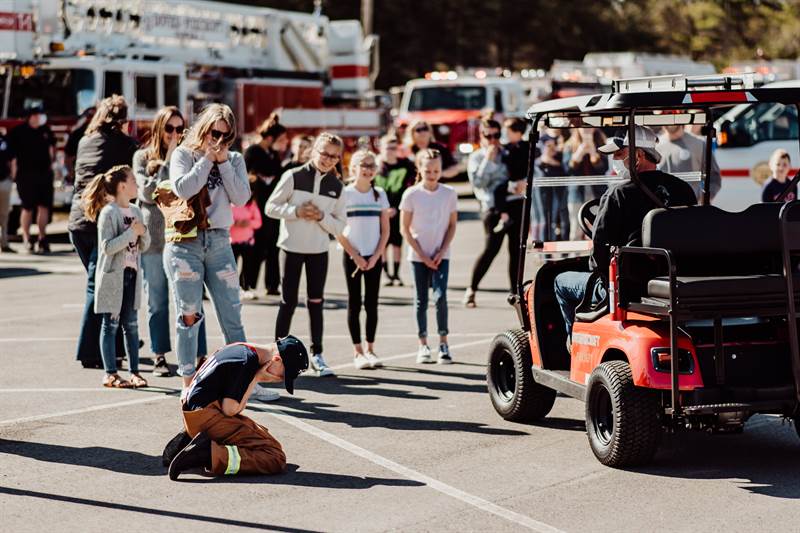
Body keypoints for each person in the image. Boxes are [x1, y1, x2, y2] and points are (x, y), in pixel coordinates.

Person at [554, 126, 697, 339]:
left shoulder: (618, 194)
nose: (616, 161)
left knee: (560, 281)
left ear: (638, 155)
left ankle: (571, 344)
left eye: (619, 154)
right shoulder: (682, 189)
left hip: (629, 286)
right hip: (675, 279)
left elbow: (598, 260)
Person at [164, 103, 251, 391]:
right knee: (189, 314)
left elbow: (241, 197)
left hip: (219, 240)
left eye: (226, 137)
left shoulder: (234, 159)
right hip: (186, 243)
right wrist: (206, 161)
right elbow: (183, 188)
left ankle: (243, 379)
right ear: (204, 129)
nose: (219, 141)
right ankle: (189, 383)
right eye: (215, 133)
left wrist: (224, 163)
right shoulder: (184, 154)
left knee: (232, 314)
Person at [165, 336, 309, 480]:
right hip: (206, 416)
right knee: (275, 456)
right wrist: (256, 378)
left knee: (261, 434)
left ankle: (193, 439)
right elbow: (231, 410)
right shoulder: (247, 362)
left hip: (194, 412)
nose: (280, 379)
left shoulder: (239, 347)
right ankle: (207, 454)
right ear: (277, 360)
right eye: (283, 374)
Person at [133, 106, 207, 377]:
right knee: (157, 301)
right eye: (169, 129)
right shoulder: (142, 156)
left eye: (179, 129)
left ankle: (200, 355)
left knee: (190, 300)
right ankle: (160, 355)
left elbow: (191, 188)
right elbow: (147, 191)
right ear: (159, 129)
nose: (174, 134)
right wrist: (168, 162)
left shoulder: (188, 156)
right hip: (154, 239)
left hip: (183, 236)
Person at [266, 132, 347, 377]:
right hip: (291, 248)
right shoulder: (292, 175)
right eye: (324, 153)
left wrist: (322, 217)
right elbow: (271, 207)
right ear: (313, 150)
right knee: (287, 301)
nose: (328, 159)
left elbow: (342, 226)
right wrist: (297, 211)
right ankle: (277, 353)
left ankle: (318, 354)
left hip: (318, 251)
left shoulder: (337, 186)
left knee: (316, 302)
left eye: (334, 157)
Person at [69, 95, 139, 369]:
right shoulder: (124, 144)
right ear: (123, 120)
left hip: (77, 221)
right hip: (104, 222)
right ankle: (90, 351)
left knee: (102, 284)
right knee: (100, 287)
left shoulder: (85, 141)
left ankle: (112, 345)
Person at [82, 165, 150, 388]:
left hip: (132, 275)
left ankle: (134, 372)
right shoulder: (109, 213)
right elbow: (107, 248)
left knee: (131, 325)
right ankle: (110, 372)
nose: (136, 185)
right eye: (133, 181)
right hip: (114, 277)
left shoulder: (136, 211)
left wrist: (143, 233)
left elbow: (144, 245)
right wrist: (131, 232)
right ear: (122, 186)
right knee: (110, 325)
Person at [400, 148, 458, 364]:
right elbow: (404, 229)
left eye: (436, 170)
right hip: (418, 257)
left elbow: (452, 225)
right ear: (420, 169)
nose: (432, 174)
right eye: (428, 170)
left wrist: (441, 251)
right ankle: (423, 344)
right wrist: (423, 255)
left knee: (441, 296)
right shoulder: (411, 195)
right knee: (421, 299)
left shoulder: (449, 193)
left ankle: (443, 342)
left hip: (441, 255)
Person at [337, 150, 390, 369]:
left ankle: (370, 349)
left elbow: (385, 230)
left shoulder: (379, 194)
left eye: (372, 165)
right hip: (352, 256)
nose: (368, 169)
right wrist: (356, 256)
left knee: (371, 303)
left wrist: (376, 256)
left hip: (374, 256)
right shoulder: (345, 194)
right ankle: (358, 352)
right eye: (363, 165)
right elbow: (338, 231)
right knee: (355, 303)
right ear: (354, 168)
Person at [464, 118, 524, 307]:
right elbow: (479, 184)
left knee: (516, 250)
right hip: (492, 208)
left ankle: (515, 293)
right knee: (491, 249)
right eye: (487, 135)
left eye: (496, 135)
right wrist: (488, 161)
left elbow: (518, 171)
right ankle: (472, 289)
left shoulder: (507, 151)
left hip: (515, 203)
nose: (492, 140)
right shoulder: (477, 157)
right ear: (481, 136)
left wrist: (519, 183)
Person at [243, 113, 288, 297]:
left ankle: (272, 284)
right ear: (270, 138)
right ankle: (247, 284)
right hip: (256, 206)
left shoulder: (275, 154)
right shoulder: (253, 151)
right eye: (281, 139)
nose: (284, 142)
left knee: (273, 246)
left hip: (273, 206)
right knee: (256, 248)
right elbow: (242, 176)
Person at [8, 106, 55, 253]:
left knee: (44, 206)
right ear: (30, 117)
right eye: (36, 115)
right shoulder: (18, 132)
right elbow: (12, 156)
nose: (39, 117)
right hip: (25, 175)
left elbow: (52, 150)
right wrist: (13, 175)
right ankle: (27, 238)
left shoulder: (45, 130)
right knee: (27, 207)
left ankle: (42, 238)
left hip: (45, 174)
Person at [374, 133, 416, 286]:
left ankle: (396, 274)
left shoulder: (405, 165)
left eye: (394, 147)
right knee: (382, 244)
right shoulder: (377, 167)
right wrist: (382, 210)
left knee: (397, 243)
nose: (390, 151)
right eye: (387, 147)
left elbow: (411, 184)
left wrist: (398, 208)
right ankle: (386, 274)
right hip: (380, 213)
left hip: (399, 210)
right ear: (381, 148)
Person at [563, 128, 608, 241]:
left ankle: (596, 255)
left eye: (589, 127)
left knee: (597, 226)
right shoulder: (570, 144)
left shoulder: (601, 143)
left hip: (597, 193)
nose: (586, 130)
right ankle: (575, 256)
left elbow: (603, 168)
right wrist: (579, 153)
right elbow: (568, 169)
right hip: (576, 193)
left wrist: (593, 152)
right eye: (583, 127)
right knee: (576, 229)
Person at [657, 124, 721, 202]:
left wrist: (704, 199)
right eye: (664, 113)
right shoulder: (655, 146)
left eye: (673, 112)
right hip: (663, 208)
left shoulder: (699, 143)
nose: (670, 116)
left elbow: (714, 177)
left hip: (691, 208)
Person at [533, 133, 568, 241]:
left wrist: (552, 159)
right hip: (543, 189)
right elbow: (536, 167)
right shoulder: (539, 159)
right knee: (546, 219)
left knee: (562, 219)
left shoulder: (561, 155)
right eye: (548, 145)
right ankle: (545, 253)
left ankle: (564, 252)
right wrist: (545, 157)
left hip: (560, 189)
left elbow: (567, 169)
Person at [231, 187, 263, 300]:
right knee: (231, 267)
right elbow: (223, 220)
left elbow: (258, 222)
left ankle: (245, 288)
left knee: (247, 267)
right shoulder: (230, 205)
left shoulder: (251, 205)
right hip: (232, 242)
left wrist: (248, 223)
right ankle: (232, 289)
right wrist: (235, 223)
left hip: (247, 242)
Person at [0, 128, 16, 253]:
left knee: (4, 214)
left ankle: (4, 242)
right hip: (5, 181)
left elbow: (13, 161)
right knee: (4, 214)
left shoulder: (5, 140)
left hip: (4, 180)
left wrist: (11, 177)